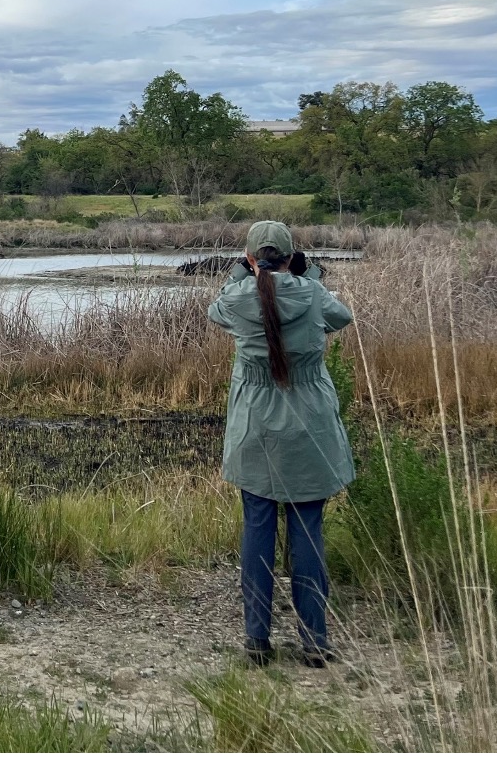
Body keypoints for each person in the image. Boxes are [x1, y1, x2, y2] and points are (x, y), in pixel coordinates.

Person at [208, 220, 355, 668]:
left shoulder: (237, 298)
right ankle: (315, 641)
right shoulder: (311, 293)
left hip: (255, 425)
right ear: (292, 258)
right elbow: (341, 317)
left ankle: (257, 638)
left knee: (257, 526)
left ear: (250, 259)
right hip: (309, 425)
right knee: (307, 530)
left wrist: (242, 274)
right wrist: (309, 276)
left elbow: (217, 311)